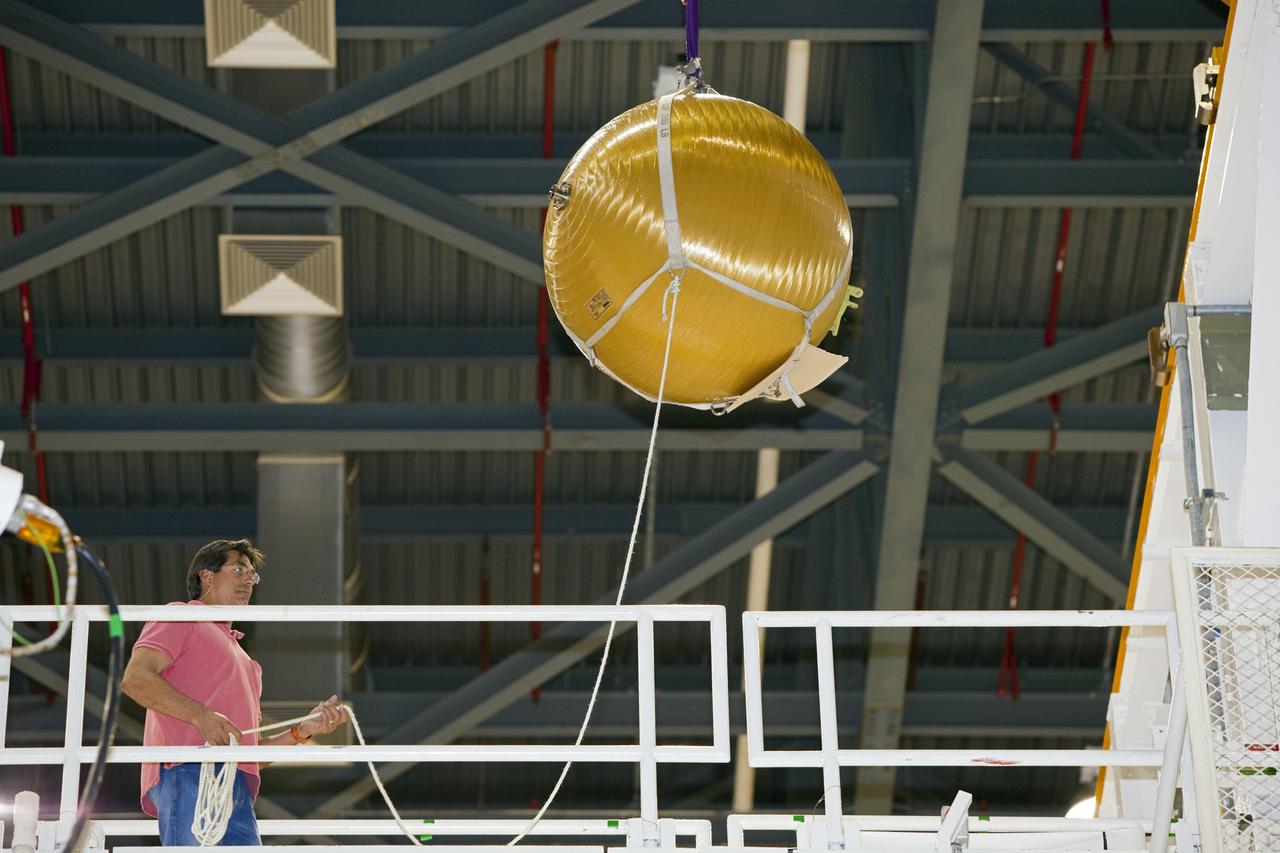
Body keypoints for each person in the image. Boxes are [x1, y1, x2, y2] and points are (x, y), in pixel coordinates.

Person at [120, 539, 348, 846]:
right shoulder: (181, 616)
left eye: (253, 575)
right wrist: (200, 716)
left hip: (237, 787)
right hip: (189, 769)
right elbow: (135, 679)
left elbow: (251, 751)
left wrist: (301, 732)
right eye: (239, 568)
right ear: (207, 576)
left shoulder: (248, 662)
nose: (248, 580)